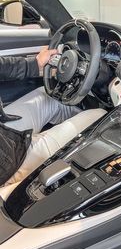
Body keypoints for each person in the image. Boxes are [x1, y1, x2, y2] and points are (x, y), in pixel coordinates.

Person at [0, 47, 107, 187]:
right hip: (9, 162)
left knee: (47, 97)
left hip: (4, 132)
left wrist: (34, 64)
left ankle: (77, 125)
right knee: (101, 117)